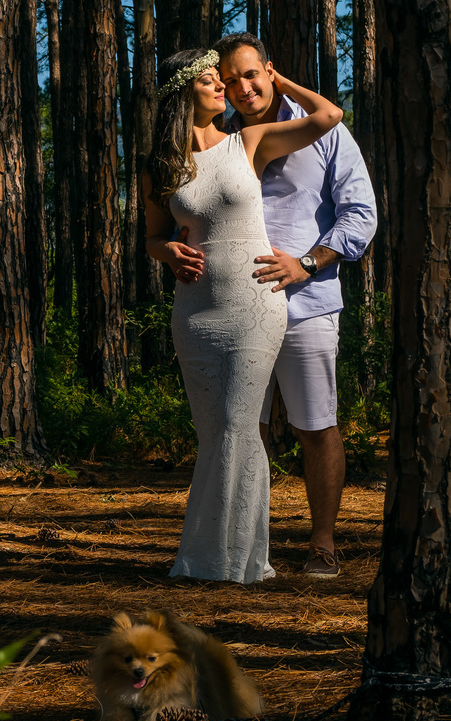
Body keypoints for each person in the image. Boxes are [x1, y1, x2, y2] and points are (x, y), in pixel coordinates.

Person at [143, 48, 343, 584]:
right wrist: (167, 253)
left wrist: (280, 79)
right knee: (216, 434)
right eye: (210, 82)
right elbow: (153, 236)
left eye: (223, 81)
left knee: (237, 425)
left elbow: (329, 117)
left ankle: (228, 563)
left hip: (254, 304)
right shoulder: (161, 164)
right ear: (184, 92)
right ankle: (233, 554)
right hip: (196, 313)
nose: (223, 89)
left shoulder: (247, 142)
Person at [214, 32, 378, 578]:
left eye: (250, 74)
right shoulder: (217, 138)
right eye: (230, 79)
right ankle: (245, 543)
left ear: (271, 71)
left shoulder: (327, 132)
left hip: (308, 302)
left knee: (316, 424)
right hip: (235, 309)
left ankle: (323, 542)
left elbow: (360, 214)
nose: (242, 87)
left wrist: (305, 263)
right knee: (243, 428)